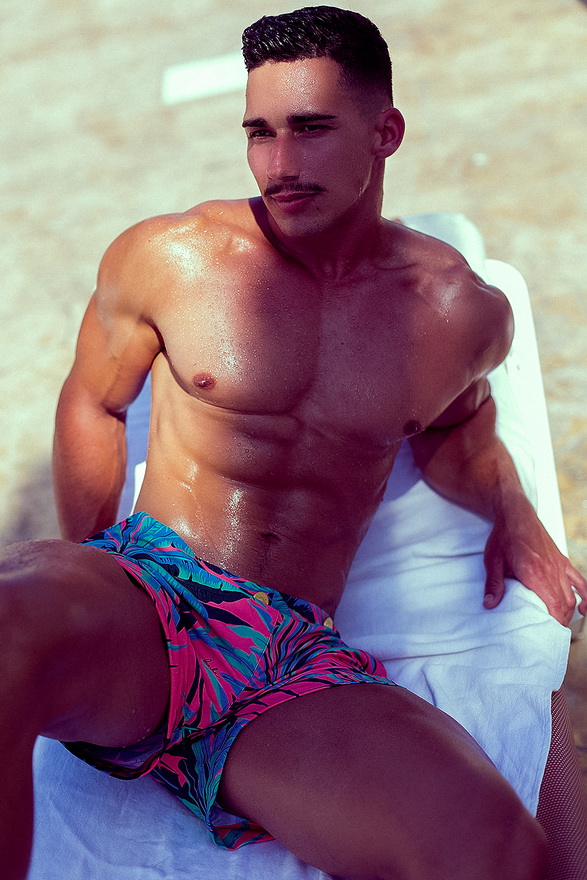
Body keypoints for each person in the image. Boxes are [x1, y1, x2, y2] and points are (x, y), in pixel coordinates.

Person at [1, 7, 585, 880]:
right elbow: (93, 402)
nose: (279, 164)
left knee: (494, 852)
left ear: (385, 132)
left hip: (283, 658)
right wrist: (94, 567)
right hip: (151, 594)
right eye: (259, 132)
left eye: (309, 129)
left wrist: (515, 513)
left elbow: (460, 429)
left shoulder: (458, 313)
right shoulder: (171, 258)